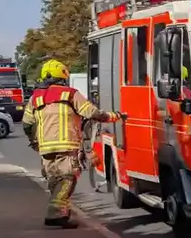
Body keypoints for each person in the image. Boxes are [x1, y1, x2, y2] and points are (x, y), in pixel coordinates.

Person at [22, 59, 123, 228]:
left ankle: (63, 214)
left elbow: (27, 124)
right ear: (62, 76)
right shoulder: (70, 94)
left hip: (46, 148)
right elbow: (92, 113)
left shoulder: (35, 98)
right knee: (68, 179)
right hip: (66, 146)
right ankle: (55, 214)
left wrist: (35, 142)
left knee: (55, 180)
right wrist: (115, 116)